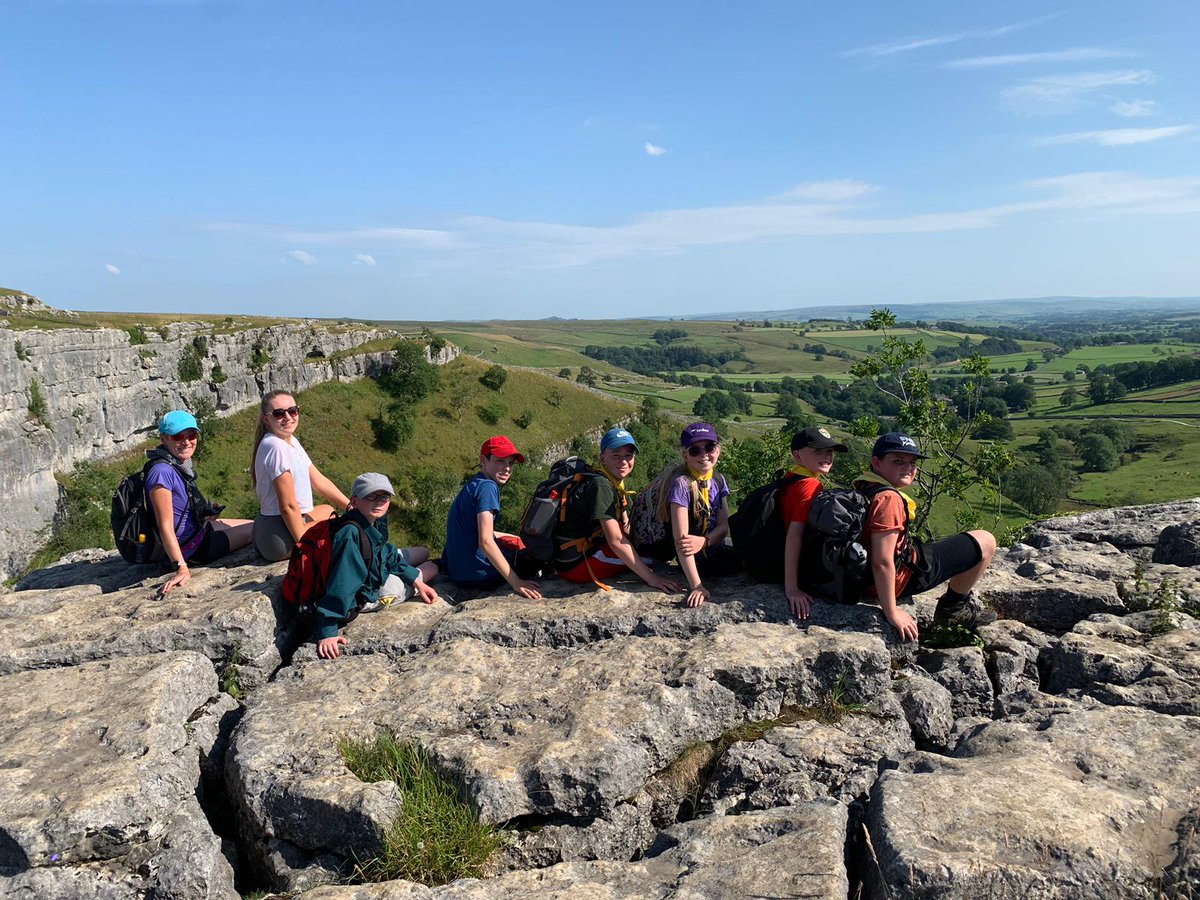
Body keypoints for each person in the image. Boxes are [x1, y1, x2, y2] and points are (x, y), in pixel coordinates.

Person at [856, 432, 997, 642]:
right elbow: (882, 562)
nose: (908, 467)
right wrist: (891, 611)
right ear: (876, 463)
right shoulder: (889, 499)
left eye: (912, 462)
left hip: (863, 575)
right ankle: (953, 609)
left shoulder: (865, 486)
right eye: (898, 461)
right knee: (985, 540)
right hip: (897, 579)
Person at [315, 473, 439, 660]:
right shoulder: (350, 534)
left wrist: (416, 581)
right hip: (363, 594)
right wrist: (327, 631)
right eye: (371, 496)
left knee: (423, 552)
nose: (379, 502)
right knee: (432, 568)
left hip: (372, 569)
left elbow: (386, 553)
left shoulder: (373, 520)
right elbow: (341, 583)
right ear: (355, 501)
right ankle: (426, 572)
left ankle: (419, 574)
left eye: (384, 496)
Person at [552, 427, 682, 593]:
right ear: (602, 458)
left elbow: (624, 526)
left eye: (628, 455)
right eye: (616, 455)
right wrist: (652, 578)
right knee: (654, 559)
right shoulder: (601, 485)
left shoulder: (612, 481)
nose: (623, 461)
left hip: (578, 554)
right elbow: (616, 541)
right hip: (578, 563)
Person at [147, 410, 254, 596]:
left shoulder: (178, 464)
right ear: (165, 439)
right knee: (257, 530)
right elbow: (165, 525)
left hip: (199, 531)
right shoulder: (161, 473)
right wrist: (181, 567)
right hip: (192, 549)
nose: (187, 441)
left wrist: (205, 513)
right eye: (178, 436)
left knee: (254, 523)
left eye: (192, 435)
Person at [250, 389, 350, 561]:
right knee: (344, 532)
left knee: (328, 510)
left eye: (293, 411)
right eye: (279, 413)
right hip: (279, 536)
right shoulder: (276, 447)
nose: (288, 417)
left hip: (267, 529)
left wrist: (350, 506)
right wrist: (305, 547)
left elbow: (319, 481)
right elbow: (287, 506)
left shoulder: (289, 441)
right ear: (266, 419)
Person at [444, 435, 542, 598]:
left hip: (456, 571)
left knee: (512, 547)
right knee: (534, 560)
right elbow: (485, 541)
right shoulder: (488, 487)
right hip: (478, 575)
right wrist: (516, 582)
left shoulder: (473, 484)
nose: (507, 468)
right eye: (500, 461)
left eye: (510, 463)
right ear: (483, 460)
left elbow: (474, 529)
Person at [653, 423, 740, 607]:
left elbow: (724, 527)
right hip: (696, 562)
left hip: (714, 550)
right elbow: (682, 541)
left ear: (718, 450)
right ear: (685, 455)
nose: (704, 455)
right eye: (695, 450)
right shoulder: (681, 485)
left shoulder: (718, 479)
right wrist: (697, 586)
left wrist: (705, 541)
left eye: (709, 448)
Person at [782, 426, 848, 620]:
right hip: (797, 568)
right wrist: (792, 588)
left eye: (829, 451)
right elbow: (795, 534)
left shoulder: (791, 478)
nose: (827, 456)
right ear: (798, 456)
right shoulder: (810, 485)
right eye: (818, 451)